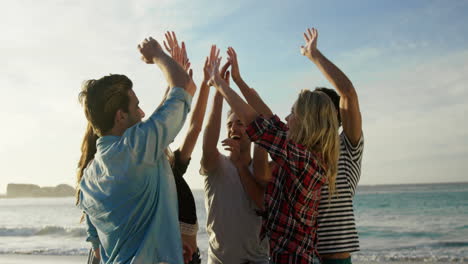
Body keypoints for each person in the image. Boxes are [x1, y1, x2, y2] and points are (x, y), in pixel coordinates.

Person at [205, 34, 340, 264]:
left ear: (306, 122)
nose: (287, 118)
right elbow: (269, 119)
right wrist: (238, 80)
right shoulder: (303, 156)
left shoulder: (305, 161)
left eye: (293, 113)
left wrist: (219, 84)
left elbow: (260, 125)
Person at [76, 36, 195, 264]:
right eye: (137, 106)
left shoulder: (88, 179)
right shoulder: (136, 149)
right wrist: (157, 55)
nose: (142, 113)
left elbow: (99, 251)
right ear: (120, 116)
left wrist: (166, 244)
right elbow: (185, 86)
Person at [200, 47, 270, 264]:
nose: (233, 129)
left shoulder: (262, 168)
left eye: (240, 123)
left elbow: (269, 129)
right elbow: (208, 140)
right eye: (229, 125)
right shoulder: (216, 165)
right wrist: (219, 92)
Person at [302, 28, 364, 264]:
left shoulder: (347, 148)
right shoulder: (302, 151)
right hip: (303, 257)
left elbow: (348, 93)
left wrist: (314, 55)